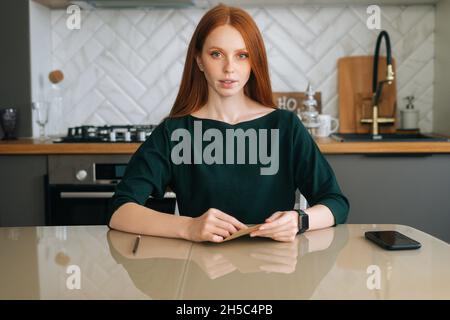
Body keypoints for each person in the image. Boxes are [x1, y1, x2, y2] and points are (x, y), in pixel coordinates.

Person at [108, 4, 349, 243]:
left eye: (242, 55)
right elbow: (120, 211)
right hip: (201, 272)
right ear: (199, 61)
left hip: (274, 270)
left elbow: (335, 203)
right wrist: (189, 227)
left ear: (254, 63)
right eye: (216, 54)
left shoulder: (285, 126)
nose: (229, 68)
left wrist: (300, 220)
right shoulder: (175, 131)